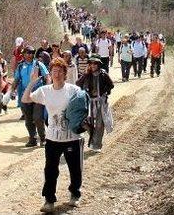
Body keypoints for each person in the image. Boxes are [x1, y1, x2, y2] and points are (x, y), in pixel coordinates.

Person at [23, 57, 84, 212]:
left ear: (65, 73)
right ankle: (49, 200)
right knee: (50, 170)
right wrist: (32, 81)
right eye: (54, 71)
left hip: (71, 138)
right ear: (50, 73)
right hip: (52, 138)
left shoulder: (73, 90)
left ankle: (75, 195)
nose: (56, 74)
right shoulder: (45, 91)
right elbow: (25, 99)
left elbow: (82, 110)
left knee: (74, 168)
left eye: (60, 71)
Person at [13, 46, 50, 147]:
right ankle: (32, 139)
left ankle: (43, 138)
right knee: (28, 119)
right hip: (25, 95)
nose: (29, 55)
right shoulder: (20, 66)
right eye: (27, 53)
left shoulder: (39, 64)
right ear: (23, 54)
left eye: (32, 53)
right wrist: (12, 91)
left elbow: (47, 77)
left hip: (38, 94)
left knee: (38, 118)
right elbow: (16, 79)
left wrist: (47, 89)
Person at [77, 54, 114, 152]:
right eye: (91, 63)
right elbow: (78, 84)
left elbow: (111, 85)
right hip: (89, 102)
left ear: (98, 64)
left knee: (99, 124)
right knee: (86, 123)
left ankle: (97, 145)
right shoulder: (87, 74)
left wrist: (104, 93)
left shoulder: (103, 74)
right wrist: (85, 74)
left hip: (100, 102)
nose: (93, 65)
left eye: (95, 63)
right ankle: (93, 139)